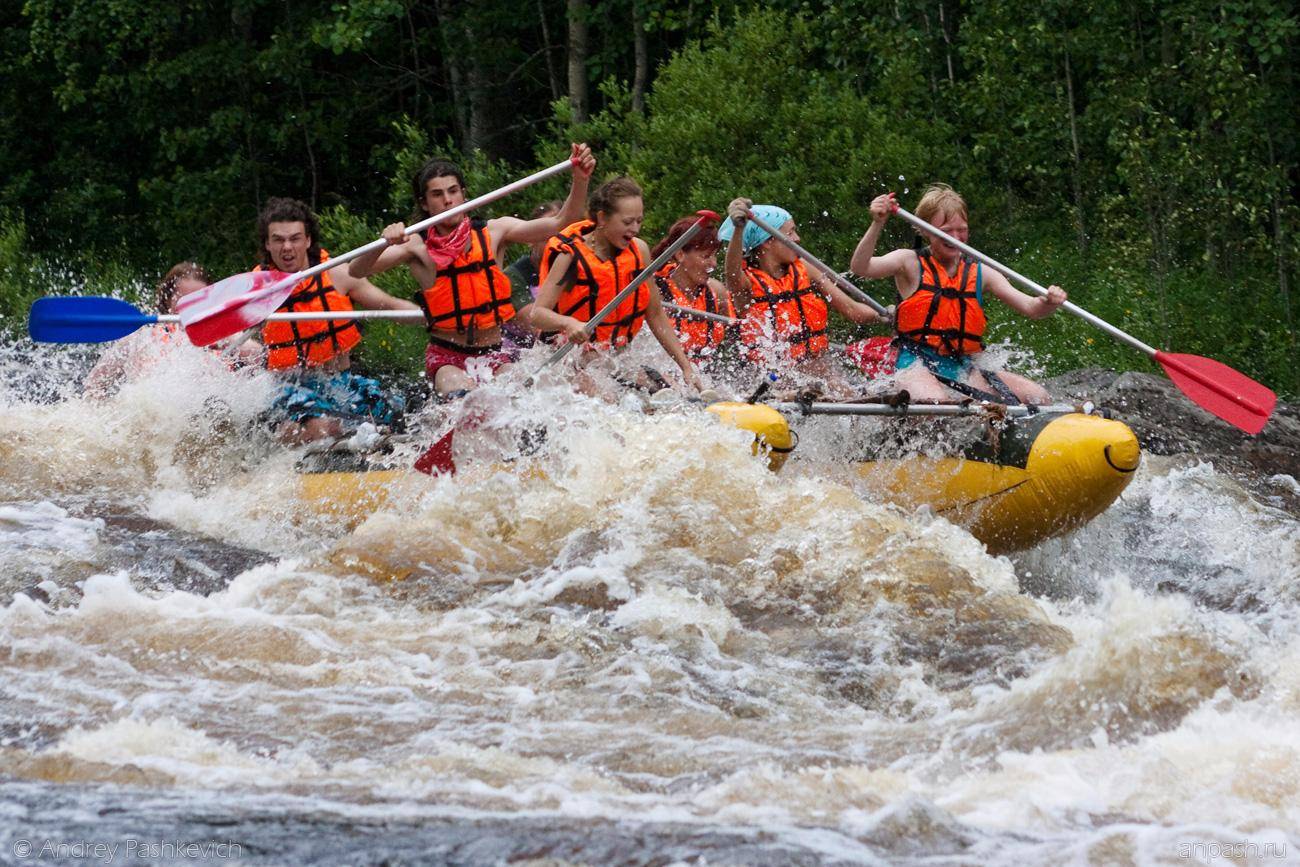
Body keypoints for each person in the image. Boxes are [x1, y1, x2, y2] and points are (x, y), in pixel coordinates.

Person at [349, 144, 595, 398]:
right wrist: (383, 242)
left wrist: (580, 180)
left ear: (463, 195)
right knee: (466, 399)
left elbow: (561, 223)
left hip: (496, 353)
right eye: (437, 194)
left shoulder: (495, 232)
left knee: (525, 402)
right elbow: (356, 270)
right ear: (424, 203)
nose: (447, 200)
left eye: (453, 191)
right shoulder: (416, 245)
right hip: (447, 358)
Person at [848, 185, 1067, 404]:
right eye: (946, 230)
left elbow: (1031, 308)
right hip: (915, 365)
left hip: (963, 367)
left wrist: (1047, 302)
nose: (956, 237)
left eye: (961, 229)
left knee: (1038, 397)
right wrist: (878, 223)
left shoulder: (982, 272)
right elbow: (861, 267)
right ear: (925, 231)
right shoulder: (909, 263)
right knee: (937, 404)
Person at [256, 196, 419, 443]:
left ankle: (362, 445)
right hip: (290, 386)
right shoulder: (254, 291)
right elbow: (227, 335)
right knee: (323, 428)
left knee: (398, 415)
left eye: (294, 238)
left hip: (340, 382)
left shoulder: (337, 274)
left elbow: (392, 305)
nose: (287, 247)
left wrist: (431, 317)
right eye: (278, 240)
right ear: (267, 244)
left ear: (308, 240)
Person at [530, 176, 703, 396]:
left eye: (639, 221)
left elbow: (656, 314)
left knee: (669, 395)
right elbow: (538, 314)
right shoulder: (570, 256)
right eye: (627, 222)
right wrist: (568, 323)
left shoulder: (639, 251)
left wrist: (686, 367)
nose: (635, 229)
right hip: (568, 358)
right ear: (602, 217)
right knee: (607, 400)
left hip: (615, 357)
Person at [720, 198, 886, 379]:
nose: (797, 238)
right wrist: (739, 229)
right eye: (790, 233)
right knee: (796, 386)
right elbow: (732, 274)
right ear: (767, 242)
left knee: (831, 381)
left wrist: (886, 315)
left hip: (815, 369)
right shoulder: (746, 284)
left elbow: (853, 310)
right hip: (770, 378)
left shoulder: (805, 268)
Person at [84, 262, 214, 398]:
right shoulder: (140, 338)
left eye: (198, 301)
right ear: (167, 300)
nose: (190, 308)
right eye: (183, 300)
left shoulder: (225, 339)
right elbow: (93, 386)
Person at [651, 216, 735, 368]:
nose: (714, 264)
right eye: (706, 256)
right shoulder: (655, 291)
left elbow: (734, 337)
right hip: (663, 375)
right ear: (680, 254)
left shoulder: (717, 292)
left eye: (714, 255)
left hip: (704, 376)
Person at [502, 199, 564, 348]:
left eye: (562, 235)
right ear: (530, 239)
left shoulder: (576, 270)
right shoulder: (512, 277)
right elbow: (539, 329)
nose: (556, 243)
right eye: (548, 236)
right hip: (518, 356)